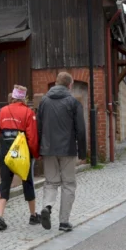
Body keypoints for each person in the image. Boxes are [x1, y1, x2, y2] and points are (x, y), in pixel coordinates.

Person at [36, 71, 87, 233]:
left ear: (56, 83)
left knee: (50, 182)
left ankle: (47, 206)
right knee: (68, 184)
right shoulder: (73, 102)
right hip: (67, 149)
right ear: (70, 85)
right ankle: (64, 222)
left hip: (48, 149)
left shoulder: (44, 102)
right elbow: (81, 129)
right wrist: (83, 151)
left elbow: (38, 127)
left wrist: (39, 149)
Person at [0, 85, 40, 231]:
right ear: (24, 98)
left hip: (6, 153)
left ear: (13, 97)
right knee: (28, 182)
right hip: (22, 154)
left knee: (4, 184)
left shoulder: (3, 111)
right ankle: (33, 215)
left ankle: (0, 217)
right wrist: (36, 154)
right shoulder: (28, 112)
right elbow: (32, 137)